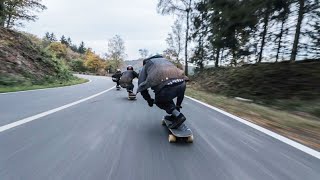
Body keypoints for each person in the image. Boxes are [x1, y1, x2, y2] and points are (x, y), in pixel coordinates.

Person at [137, 55, 188, 129]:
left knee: (159, 101)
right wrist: (178, 105)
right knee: (169, 95)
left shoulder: (146, 65)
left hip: (166, 86)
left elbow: (141, 86)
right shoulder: (166, 61)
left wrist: (149, 100)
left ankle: (179, 116)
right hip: (182, 83)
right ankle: (175, 114)